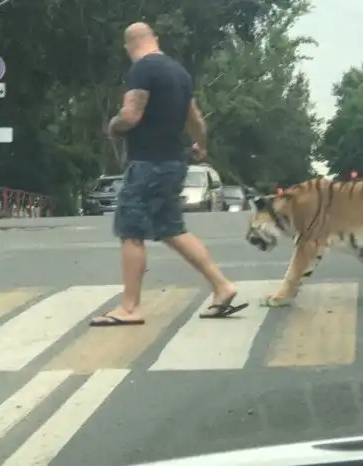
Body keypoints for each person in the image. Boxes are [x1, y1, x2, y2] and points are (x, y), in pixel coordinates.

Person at [89, 22, 248, 327]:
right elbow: (196, 118)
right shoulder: (179, 73)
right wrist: (201, 144)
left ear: (128, 46)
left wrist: (112, 127)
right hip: (175, 162)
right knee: (172, 230)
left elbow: (130, 115)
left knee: (131, 231)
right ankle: (222, 286)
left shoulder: (142, 70)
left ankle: (130, 307)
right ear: (155, 39)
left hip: (148, 163)